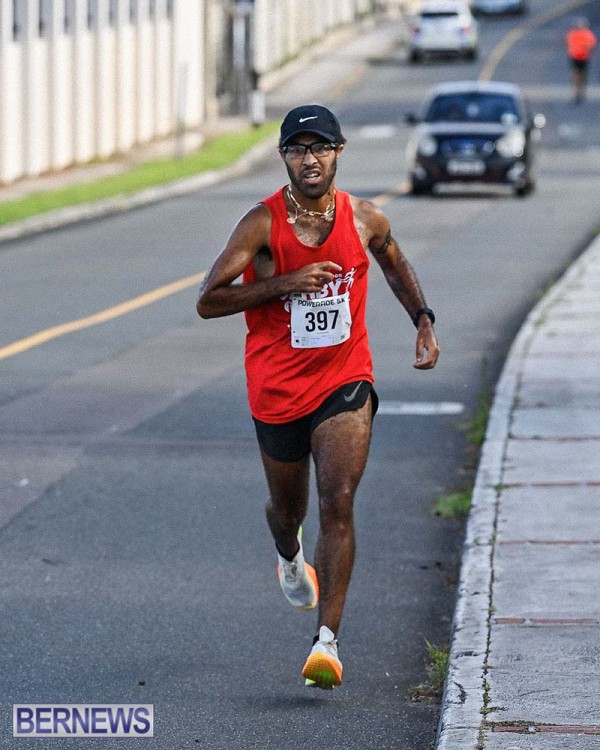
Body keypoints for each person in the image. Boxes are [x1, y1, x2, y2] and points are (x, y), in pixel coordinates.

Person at [197, 104, 440, 689]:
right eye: (299, 149)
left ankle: (326, 642)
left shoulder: (364, 218)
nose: (311, 159)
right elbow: (208, 300)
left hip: (344, 378)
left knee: (340, 498)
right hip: (278, 387)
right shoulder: (261, 224)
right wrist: (284, 283)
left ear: (339, 152)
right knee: (290, 512)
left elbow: (394, 263)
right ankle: (288, 554)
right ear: (284, 157)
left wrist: (423, 319)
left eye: (321, 147)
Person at [566, 18, 597, 102]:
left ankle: (577, 90)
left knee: (577, 74)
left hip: (577, 56)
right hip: (582, 57)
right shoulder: (587, 34)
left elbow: (568, 44)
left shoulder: (572, 34)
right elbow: (592, 45)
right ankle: (580, 90)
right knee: (581, 74)